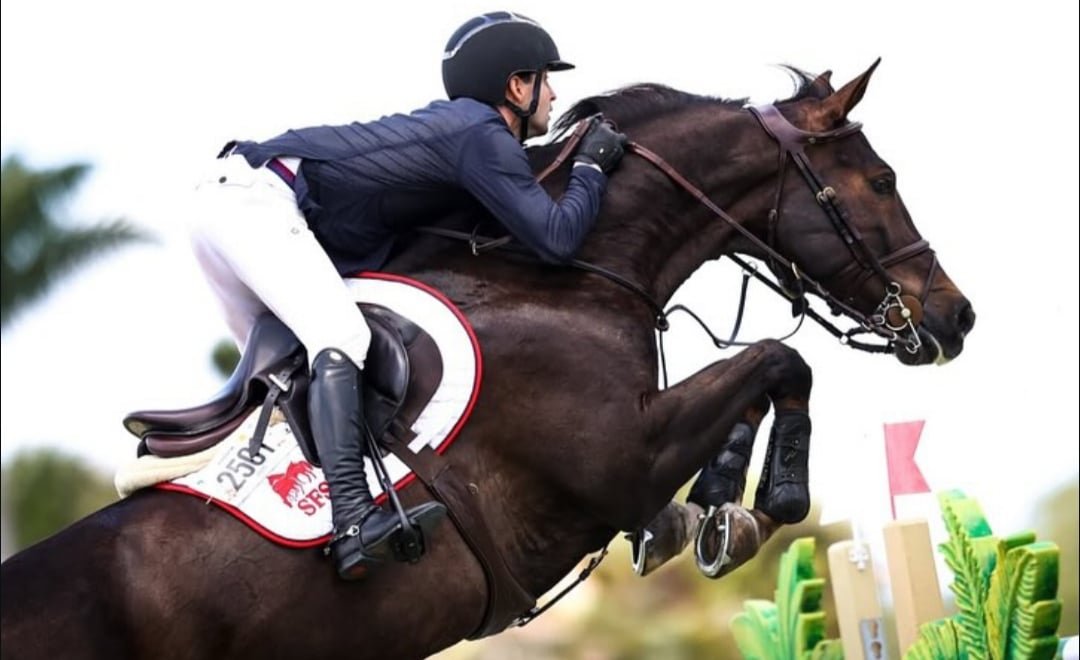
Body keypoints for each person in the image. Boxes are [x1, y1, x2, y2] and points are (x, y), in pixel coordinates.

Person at [187, 11, 628, 580]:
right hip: (253, 201)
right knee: (342, 337)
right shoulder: (481, 134)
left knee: (287, 381)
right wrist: (590, 167)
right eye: (546, 79)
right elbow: (557, 239)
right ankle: (352, 522)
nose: (554, 95)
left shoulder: (463, 135)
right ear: (517, 86)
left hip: (230, 201)